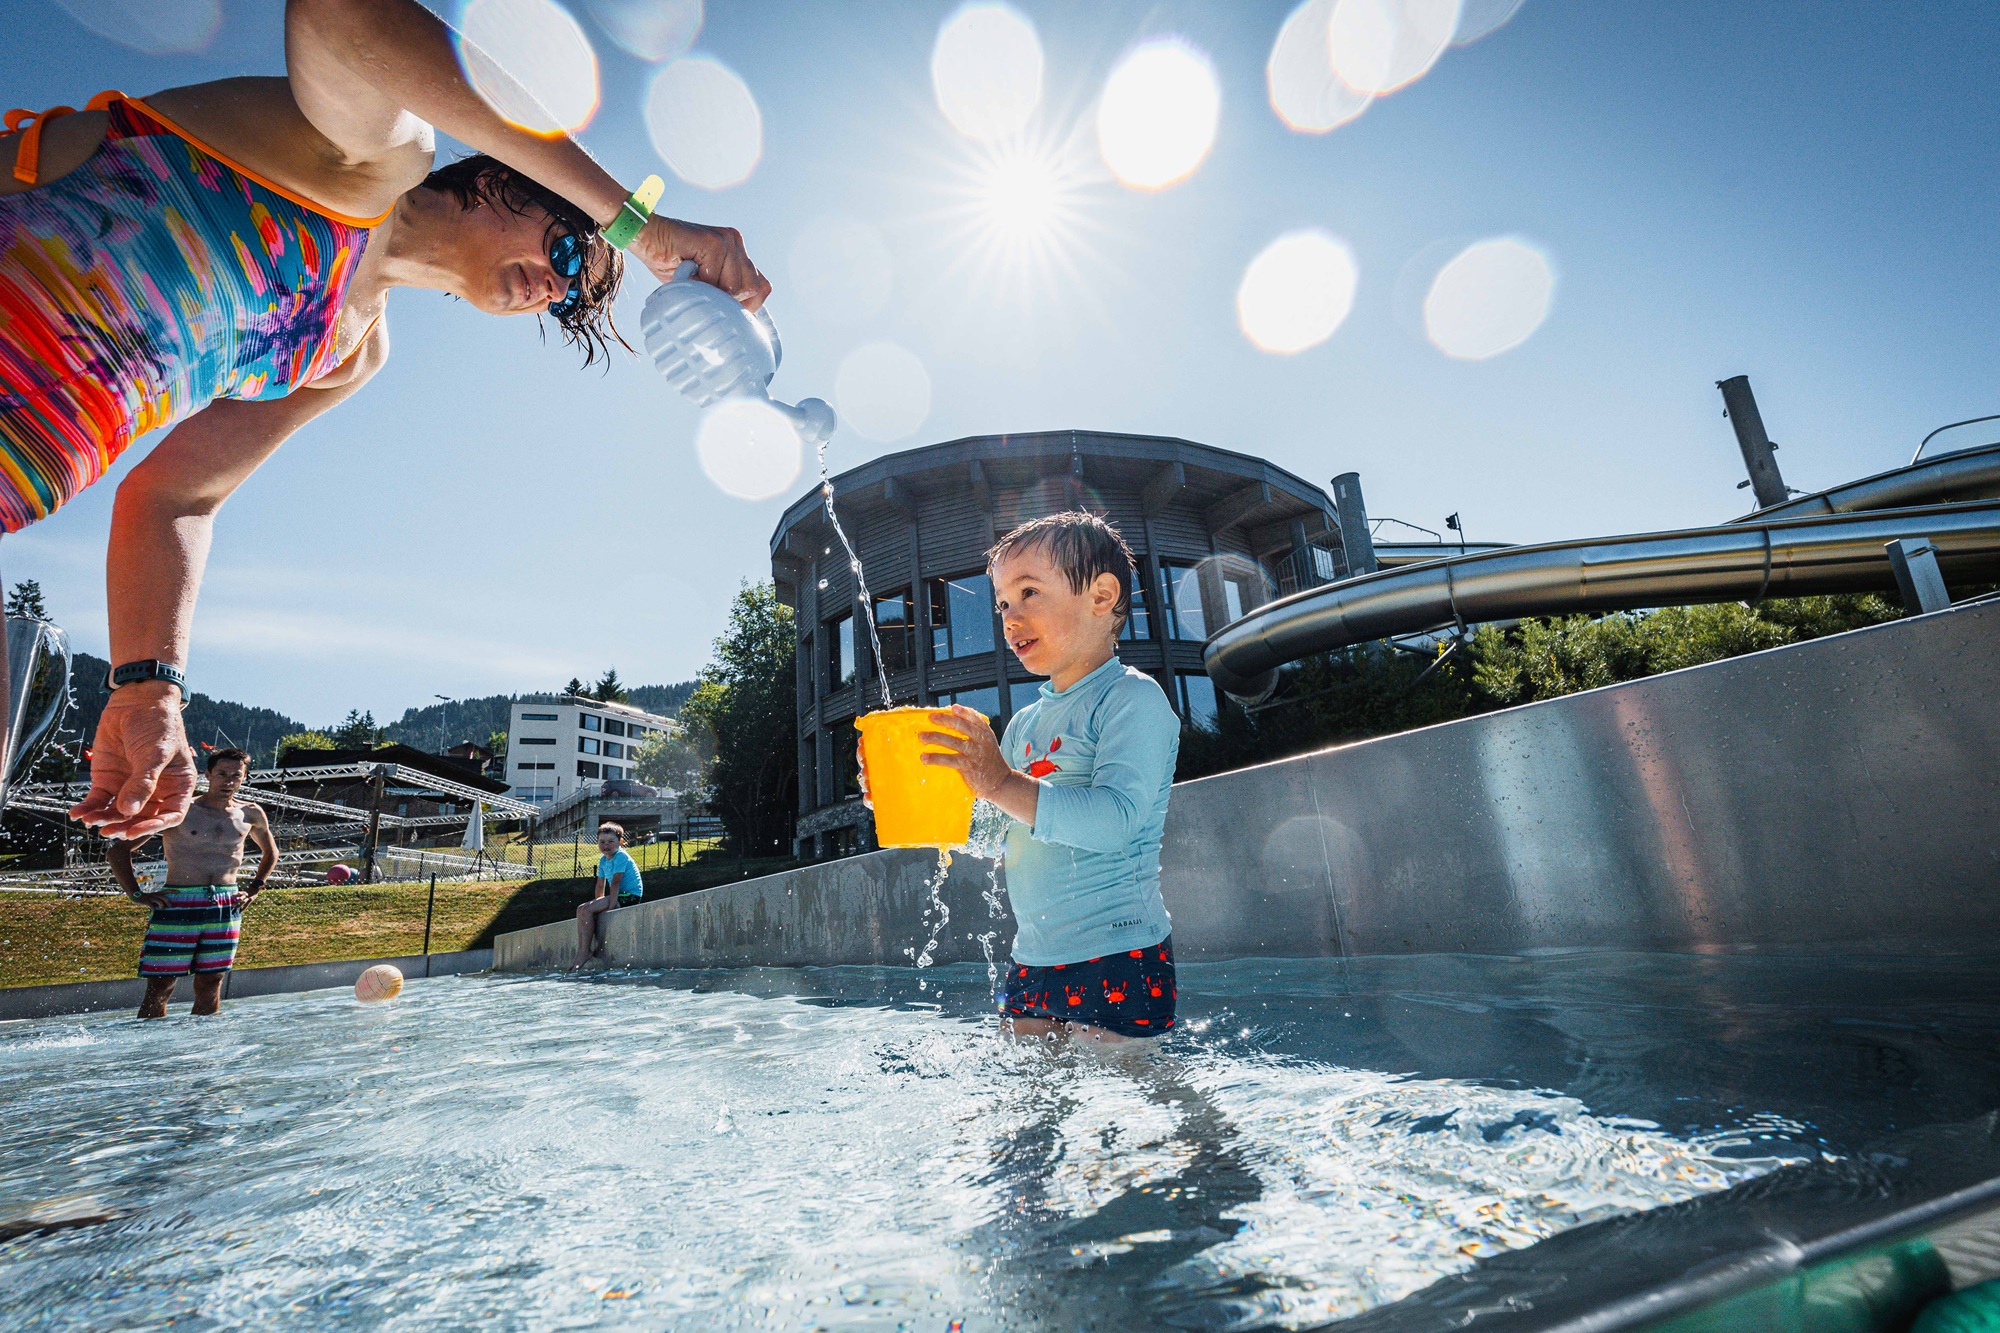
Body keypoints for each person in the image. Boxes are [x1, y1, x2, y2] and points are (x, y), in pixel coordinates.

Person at [0, 0, 771, 835]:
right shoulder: (372, 160)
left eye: (566, 297)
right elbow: (339, 14)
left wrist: (150, 688)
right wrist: (635, 225)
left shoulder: (351, 354)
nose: (555, 286)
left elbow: (175, 497)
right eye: (565, 249)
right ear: (502, 178)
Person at [905, 511, 1182, 1044]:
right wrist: (908, 796)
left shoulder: (1131, 699)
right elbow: (994, 836)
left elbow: (1115, 821)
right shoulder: (1024, 725)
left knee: (1126, 1089)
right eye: (1003, 604)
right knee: (1028, 1093)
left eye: (1029, 593)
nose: (1010, 618)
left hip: (1118, 950)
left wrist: (1000, 783)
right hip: (1032, 958)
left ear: (1101, 597)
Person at [107, 747, 278, 1019]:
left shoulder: (251, 813)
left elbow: (271, 852)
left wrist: (254, 889)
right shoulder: (181, 809)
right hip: (178, 902)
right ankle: (150, 1042)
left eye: (236, 775)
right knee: (161, 984)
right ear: (207, 774)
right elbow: (119, 850)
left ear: (244, 778)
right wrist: (136, 894)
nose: (228, 781)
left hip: (226, 903)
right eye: (222, 774)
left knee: (212, 982)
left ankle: (204, 1044)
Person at [573, 821, 643, 969]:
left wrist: (610, 907)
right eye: (602, 842)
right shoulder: (603, 860)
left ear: (620, 842)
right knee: (581, 909)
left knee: (587, 910)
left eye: (611, 841)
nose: (606, 845)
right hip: (618, 895)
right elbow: (600, 885)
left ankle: (585, 951)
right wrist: (597, 904)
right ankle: (582, 949)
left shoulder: (621, 856)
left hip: (630, 895)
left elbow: (616, 883)